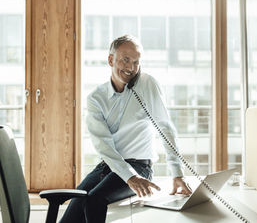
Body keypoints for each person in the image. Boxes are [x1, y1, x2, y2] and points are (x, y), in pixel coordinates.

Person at [60, 35, 192, 223]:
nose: (130, 68)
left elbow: (165, 128)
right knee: (75, 206)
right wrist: (129, 177)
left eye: (136, 62)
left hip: (140, 166)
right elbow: (103, 146)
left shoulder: (147, 84)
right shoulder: (96, 99)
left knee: (94, 200)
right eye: (125, 60)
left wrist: (177, 172)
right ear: (111, 60)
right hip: (107, 166)